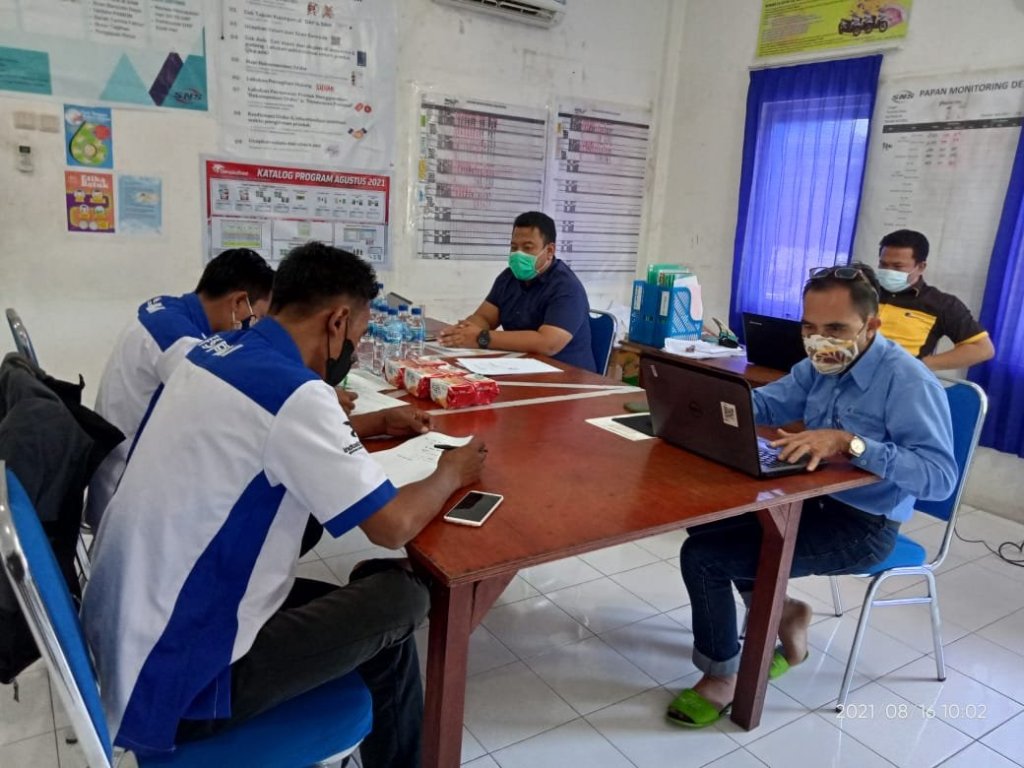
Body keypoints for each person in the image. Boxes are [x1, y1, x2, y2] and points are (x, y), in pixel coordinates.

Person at [82, 242, 486, 766]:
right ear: (337, 322)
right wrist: (451, 470)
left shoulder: (214, 353)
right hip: (185, 677)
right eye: (359, 337)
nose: (354, 352)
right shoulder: (298, 393)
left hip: (135, 630)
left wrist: (372, 424)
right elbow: (392, 526)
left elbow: (272, 434)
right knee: (403, 596)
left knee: (380, 632)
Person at [667, 263, 957, 728]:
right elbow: (766, 404)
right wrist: (699, 399)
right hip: (809, 498)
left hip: (864, 526)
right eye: (809, 327)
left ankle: (723, 674)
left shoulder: (908, 382)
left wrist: (850, 442)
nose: (819, 340)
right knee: (706, 521)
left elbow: (940, 477)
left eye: (835, 328)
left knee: (705, 559)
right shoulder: (822, 364)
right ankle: (783, 611)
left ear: (872, 325)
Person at [86, 248, 275, 527]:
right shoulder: (178, 340)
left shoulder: (165, 309)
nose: (251, 329)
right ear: (238, 302)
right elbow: (231, 400)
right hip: (128, 498)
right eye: (256, 317)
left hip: (123, 474)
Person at [438, 210, 595, 370]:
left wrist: (481, 337)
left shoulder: (566, 287)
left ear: (549, 251)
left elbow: (548, 344)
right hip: (520, 366)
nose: (518, 254)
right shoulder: (508, 278)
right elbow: (485, 317)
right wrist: (463, 332)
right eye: (514, 247)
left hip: (567, 374)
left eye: (527, 247)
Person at [875, 229, 995, 372]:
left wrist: (921, 365)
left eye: (897, 266)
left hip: (899, 377)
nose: (888, 271)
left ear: (921, 267)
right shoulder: (863, 292)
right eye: (883, 264)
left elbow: (982, 349)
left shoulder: (942, 304)